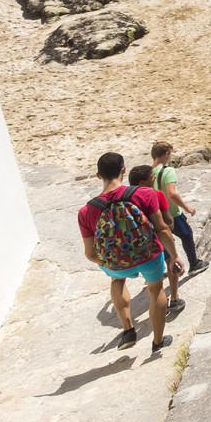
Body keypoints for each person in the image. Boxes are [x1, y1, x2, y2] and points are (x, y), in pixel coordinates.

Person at [78, 152, 179, 354]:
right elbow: (162, 229)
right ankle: (157, 342)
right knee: (156, 289)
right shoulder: (143, 194)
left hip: (115, 264)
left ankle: (128, 330)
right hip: (148, 256)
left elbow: (90, 254)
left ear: (99, 176)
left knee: (117, 281)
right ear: (124, 169)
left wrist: (110, 262)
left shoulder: (86, 211)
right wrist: (174, 256)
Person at [130, 165, 184, 313]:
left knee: (154, 276)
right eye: (151, 177)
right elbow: (169, 221)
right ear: (142, 182)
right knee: (171, 264)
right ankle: (174, 298)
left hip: (141, 243)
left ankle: (158, 302)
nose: (154, 179)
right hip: (159, 238)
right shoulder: (157, 195)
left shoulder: (127, 198)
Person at [151, 142, 206, 277]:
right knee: (186, 235)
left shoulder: (148, 172)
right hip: (172, 212)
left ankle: (165, 268)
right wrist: (187, 208)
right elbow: (172, 194)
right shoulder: (168, 171)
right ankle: (194, 264)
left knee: (163, 240)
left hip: (156, 214)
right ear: (166, 154)